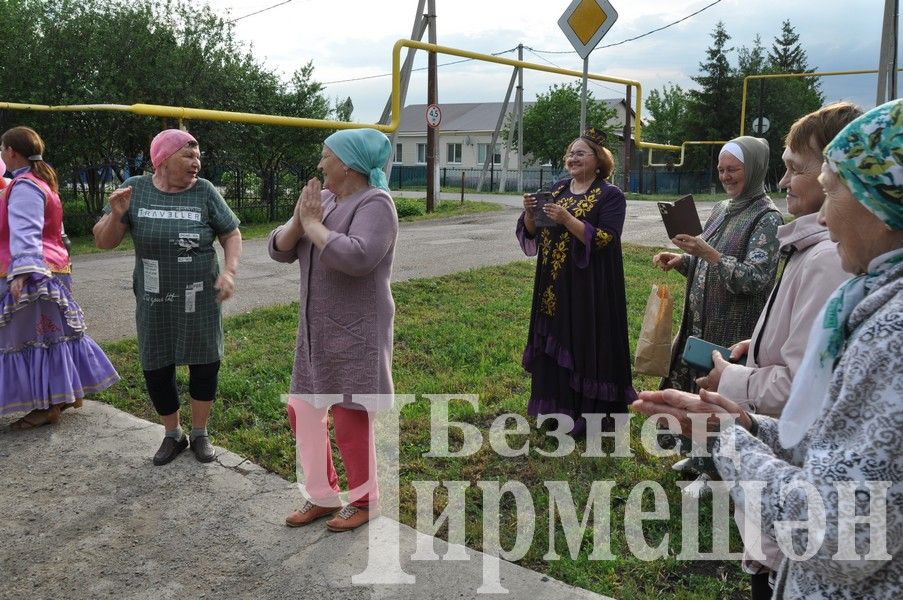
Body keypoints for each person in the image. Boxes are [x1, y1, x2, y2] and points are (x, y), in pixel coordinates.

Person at [634, 99, 903, 599]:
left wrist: (726, 438)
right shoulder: (874, 301)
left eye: (831, 189)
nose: (825, 218)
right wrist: (749, 425)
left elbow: (840, 534)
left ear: (877, 201)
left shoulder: (891, 333)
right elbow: (835, 445)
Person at [691, 102, 863, 598]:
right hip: (787, 471)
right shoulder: (769, 228)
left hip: (802, 501)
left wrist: (733, 383)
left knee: (771, 576)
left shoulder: (825, 254)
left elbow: (802, 386)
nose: (787, 183)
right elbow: (800, 338)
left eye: (797, 169)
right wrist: (759, 343)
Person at [269, 128, 397, 533]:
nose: (320, 163)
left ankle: (365, 500)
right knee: (302, 411)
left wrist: (313, 225)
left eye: (326, 156)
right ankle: (322, 495)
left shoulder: (376, 204)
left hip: (357, 330)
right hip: (316, 329)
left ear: (347, 163)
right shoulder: (322, 200)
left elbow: (357, 257)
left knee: (349, 417)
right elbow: (278, 249)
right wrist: (299, 221)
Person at [93, 129, 242, 465]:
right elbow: (104, 241)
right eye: (188, 156)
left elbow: (231, 233)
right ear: (162, 159)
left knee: (205, 362)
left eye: (198, 156)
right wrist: (117, 214)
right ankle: (173, 434)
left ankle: (200, 433)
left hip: (200, 295)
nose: (196, 163)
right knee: (156, 362)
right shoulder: (136, 188)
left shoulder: (204, 192)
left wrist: (229, 271)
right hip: (154, 296)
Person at [517, 127, 636, 437]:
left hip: (589, 289)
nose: (572, 157)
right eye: (570, 153)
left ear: (599, 161)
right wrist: (530, 214)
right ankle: (556, 408)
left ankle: (588, 416)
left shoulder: (610, 195)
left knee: (584, 342)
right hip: (553, 286)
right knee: (556, 338)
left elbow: (605, 239)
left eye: (580, 153)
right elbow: (534, 233)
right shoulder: (556, 190)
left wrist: (567, 220)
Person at [0, 126, 119, 428]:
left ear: (11, 152)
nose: (2, 154)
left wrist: (22, 272)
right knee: (52, 337)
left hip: (33, 276)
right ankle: (59, 397)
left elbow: (26, 230)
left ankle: (47, 406)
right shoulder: (40, 182)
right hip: (49, 271)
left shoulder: (25, 186)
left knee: (31, 339)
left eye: (3, 149)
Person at [653, 136, 784, 393]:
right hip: (698, 331)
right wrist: (684, 260)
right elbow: (707, 261)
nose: (726, 177)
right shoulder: (721, 207)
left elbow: (754, 279)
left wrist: (709, 254)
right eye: (721, 170)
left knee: (715, 413)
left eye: (733, 169)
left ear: (755, 169)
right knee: (682, 406)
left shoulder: (767, 218)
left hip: (731, 336)